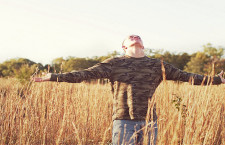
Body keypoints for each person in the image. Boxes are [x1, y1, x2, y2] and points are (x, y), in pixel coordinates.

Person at [34, 35, 225, 145]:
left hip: (150, 121)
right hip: (123, 121)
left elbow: (188, 77)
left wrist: (217, 80)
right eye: (130, 38)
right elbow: (83, 74)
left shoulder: (157, 65)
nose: (135, 37)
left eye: (137, 37)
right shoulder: (114, 63)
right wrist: (52, 77)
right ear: (124, 46)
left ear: (143, 45)